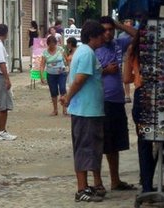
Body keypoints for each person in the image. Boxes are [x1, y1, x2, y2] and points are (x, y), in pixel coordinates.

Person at [124, 32, 164, 195]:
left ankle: (147, 188)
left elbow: (126, 77)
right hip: (163, 97)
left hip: (143, 98)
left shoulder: (134, 49)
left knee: (145, 144)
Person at [59, 20, 106, 203]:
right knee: (84, 149)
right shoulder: (86, 53)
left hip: (89, 109)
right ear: (93, 36)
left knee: (90, 149)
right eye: (101, 35)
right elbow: (79, 79)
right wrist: (68, 98)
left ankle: (87, 186)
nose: (103, 38)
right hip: (86, 110)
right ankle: (81, 189)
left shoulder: (85, 52)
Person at [95, 16, 137, 192]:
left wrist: (119, 24)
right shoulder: (94, 49)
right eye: (104, 29)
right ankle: (97, 183)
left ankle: (115, 180)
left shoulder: (118, 44)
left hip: (117, 100)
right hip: (101, 101)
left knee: (115, 144)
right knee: (100, 143)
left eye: (110, 29)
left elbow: (138, 35)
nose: (108, 33)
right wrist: (106, 71)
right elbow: (85, 74)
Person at [39, 35, 68, 116]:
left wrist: (69, 68)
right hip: (51, 74)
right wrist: (42, 76)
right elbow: (42, 65)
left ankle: (64, 109)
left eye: (53, 44)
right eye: (50, 44)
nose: (52, 46)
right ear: (48, 44)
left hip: (62, 73)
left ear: (56, 43)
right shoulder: (45, 53)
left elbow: (66, 59)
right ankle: (55, 110)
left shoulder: (60, 49)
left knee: (62, 89)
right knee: (53, 91)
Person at [118, 19, 135, 103]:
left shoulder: (135, 33)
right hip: (125, 58)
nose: (127, 23)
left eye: (129, 21)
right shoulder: (121, 36)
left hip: (136, 59)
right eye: (125, 21)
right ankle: (127, 95)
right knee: (126, 77)